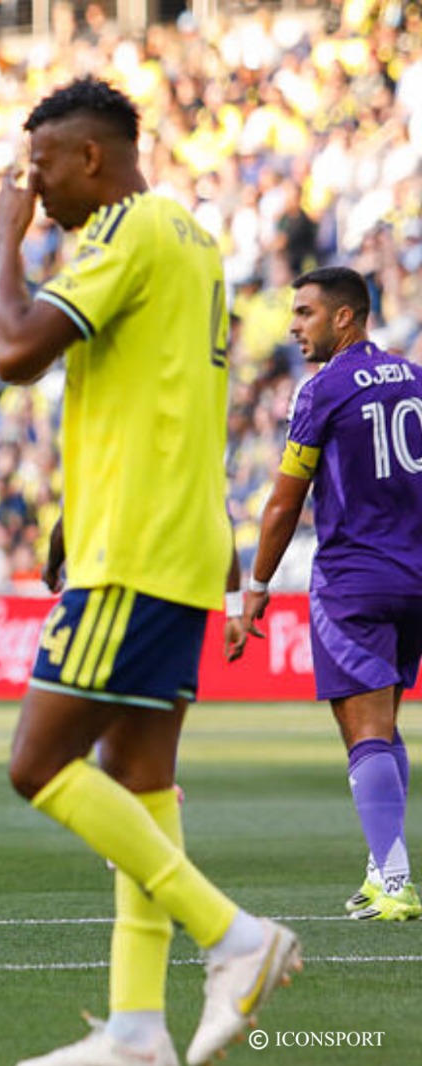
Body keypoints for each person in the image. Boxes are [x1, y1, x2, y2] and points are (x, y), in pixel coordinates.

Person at [0, 78, 299, 1066]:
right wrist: (74, 512)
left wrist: (2, 241)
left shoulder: (126, 227)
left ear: (91, 157)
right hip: (172, 538)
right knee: (141, 782)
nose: (32, 186)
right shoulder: (190, 239)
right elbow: (151, 394)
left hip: (136, 549)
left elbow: (15, 352)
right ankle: (134, 1031)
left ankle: (234, 936)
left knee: (37, 765)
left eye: (41, 166)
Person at [244, 266, 422, 922]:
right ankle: (382, 867)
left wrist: (256, 586)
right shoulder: (416, 378)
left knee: (363, 730)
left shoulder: (324, 390)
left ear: (345, 317)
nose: (294, 326)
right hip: (416, 576)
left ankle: (396, 880)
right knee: (384, 722)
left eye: (305, 313)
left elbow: (284, 502)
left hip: (354, 579)